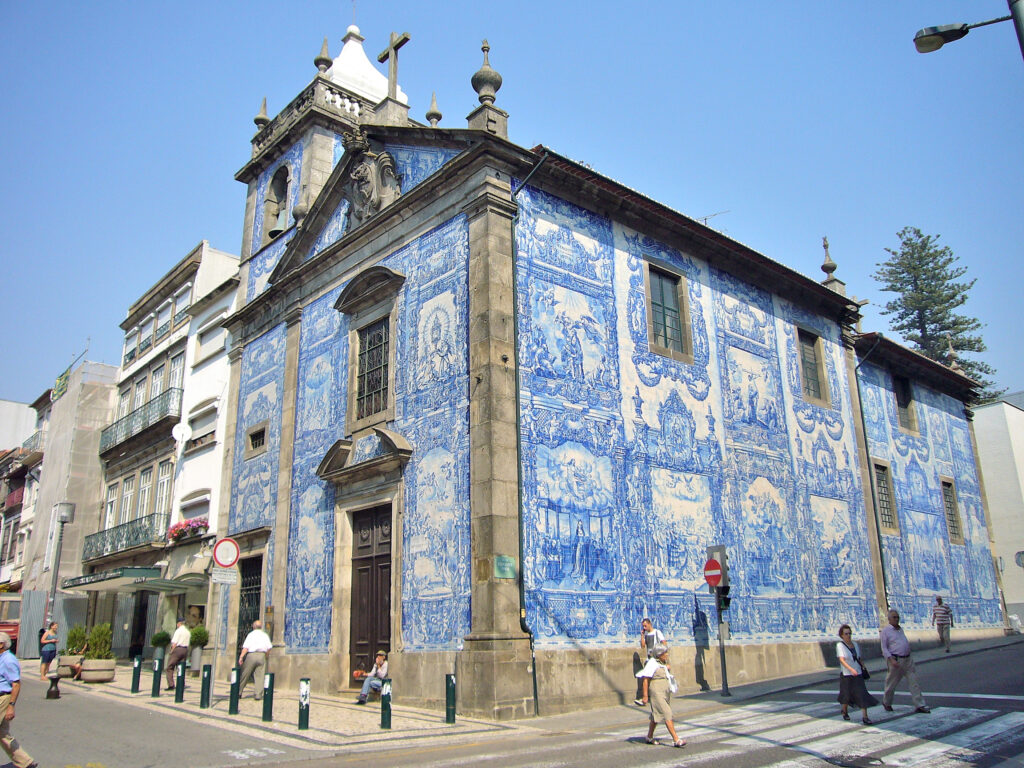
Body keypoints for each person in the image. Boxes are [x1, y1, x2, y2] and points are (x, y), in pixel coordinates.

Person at [880, 608, 930, 714]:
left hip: (907, 659)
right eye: (894, 617)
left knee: (914, 682)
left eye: (898, 617)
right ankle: (887, 702)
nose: (897, 619)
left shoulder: (900, 629)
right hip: (896, 660)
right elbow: (884, 648)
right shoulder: (886, 631)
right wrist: (891, 660)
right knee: (891, 684)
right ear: (889, 619)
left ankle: (920, 704)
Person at [636, 643, 685, 748]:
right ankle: (676, 739)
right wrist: (645, 696)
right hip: (656, 692)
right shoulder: (652, 663)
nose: (667, 654)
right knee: (667, 713)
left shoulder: (662, 662)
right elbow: (645, 679)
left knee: (656, 715)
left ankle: (649, 737)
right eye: (664, 653)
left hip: (665, 692)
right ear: (659, 654)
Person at [0, 631, 38, 768]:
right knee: (2, 734)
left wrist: (11, 706)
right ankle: (25, 762)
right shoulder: (1, 658)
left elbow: (16, 684)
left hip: (3, 697)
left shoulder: (9, 660)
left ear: (1, 644)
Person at [836, 624, 878, 724]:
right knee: (846, 695)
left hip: (858, 673)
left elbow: (859, 658)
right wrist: (850, 669)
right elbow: (842, 660)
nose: (848, 636)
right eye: (846, 634)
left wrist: (863, 667)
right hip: (847, 674)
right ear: (842, 635)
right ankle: (844, 711)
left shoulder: (855, 644)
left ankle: (865, 717)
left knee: (861, 694)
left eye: (850, 633)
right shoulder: (840, 646)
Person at [633, 618, 666, 706]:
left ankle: (645, 698)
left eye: (645, 625)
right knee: (647, 678)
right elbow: (643, 646)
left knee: (646, 678)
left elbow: (664, 643)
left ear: (649, 624)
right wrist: (642, 635)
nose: (644, 627)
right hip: (649, 659)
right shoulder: (646, 635)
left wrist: (660, 654)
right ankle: (649, 697)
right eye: (643, 626)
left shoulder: (657, 632)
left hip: (655, 659)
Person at [237, 620, 273, 701]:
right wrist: (266, 655)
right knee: (260, 676)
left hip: (251, 655)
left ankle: (239, 692)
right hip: (261, 655)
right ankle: (258, 695)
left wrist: (241, 657)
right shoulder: (265, 635)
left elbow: (246, 648)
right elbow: (269, 647)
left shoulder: (251, 635)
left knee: (245, 674)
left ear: (253, 626)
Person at [165, 617, 191, 690]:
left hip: (177, 649)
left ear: (179, 623)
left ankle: (171, 685)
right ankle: (181, 683)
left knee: (169, 667)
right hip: (185, 650)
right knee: (181, 667)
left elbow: (174, 643)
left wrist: (171, 651)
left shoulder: (178, 631)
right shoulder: (187, 632)